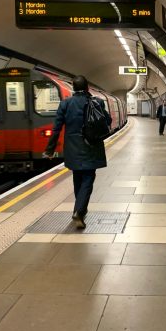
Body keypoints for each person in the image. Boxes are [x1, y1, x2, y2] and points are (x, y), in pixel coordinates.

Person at [42, 75, 111, 229]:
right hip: (91, 146)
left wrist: (49, 150)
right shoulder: (97, 102)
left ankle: (79, 210)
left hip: (72, 148)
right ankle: (79, 212)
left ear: (73, 88)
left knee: (78, 178)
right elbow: (107, 122)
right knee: (88, 178)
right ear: (87, 88)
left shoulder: (65, 104)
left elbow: (56, 129)